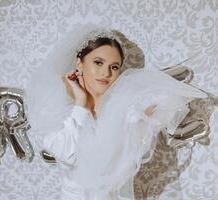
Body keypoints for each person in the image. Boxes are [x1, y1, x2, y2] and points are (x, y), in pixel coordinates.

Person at [25, 23, 208, 200]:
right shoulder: (58, 111)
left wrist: (141, 121)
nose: (106, 73)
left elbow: (123, 171)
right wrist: (80, 103)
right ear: (79, 64)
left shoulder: (126, 112)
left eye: (114, 67)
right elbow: (68, 154)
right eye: (98, 63)